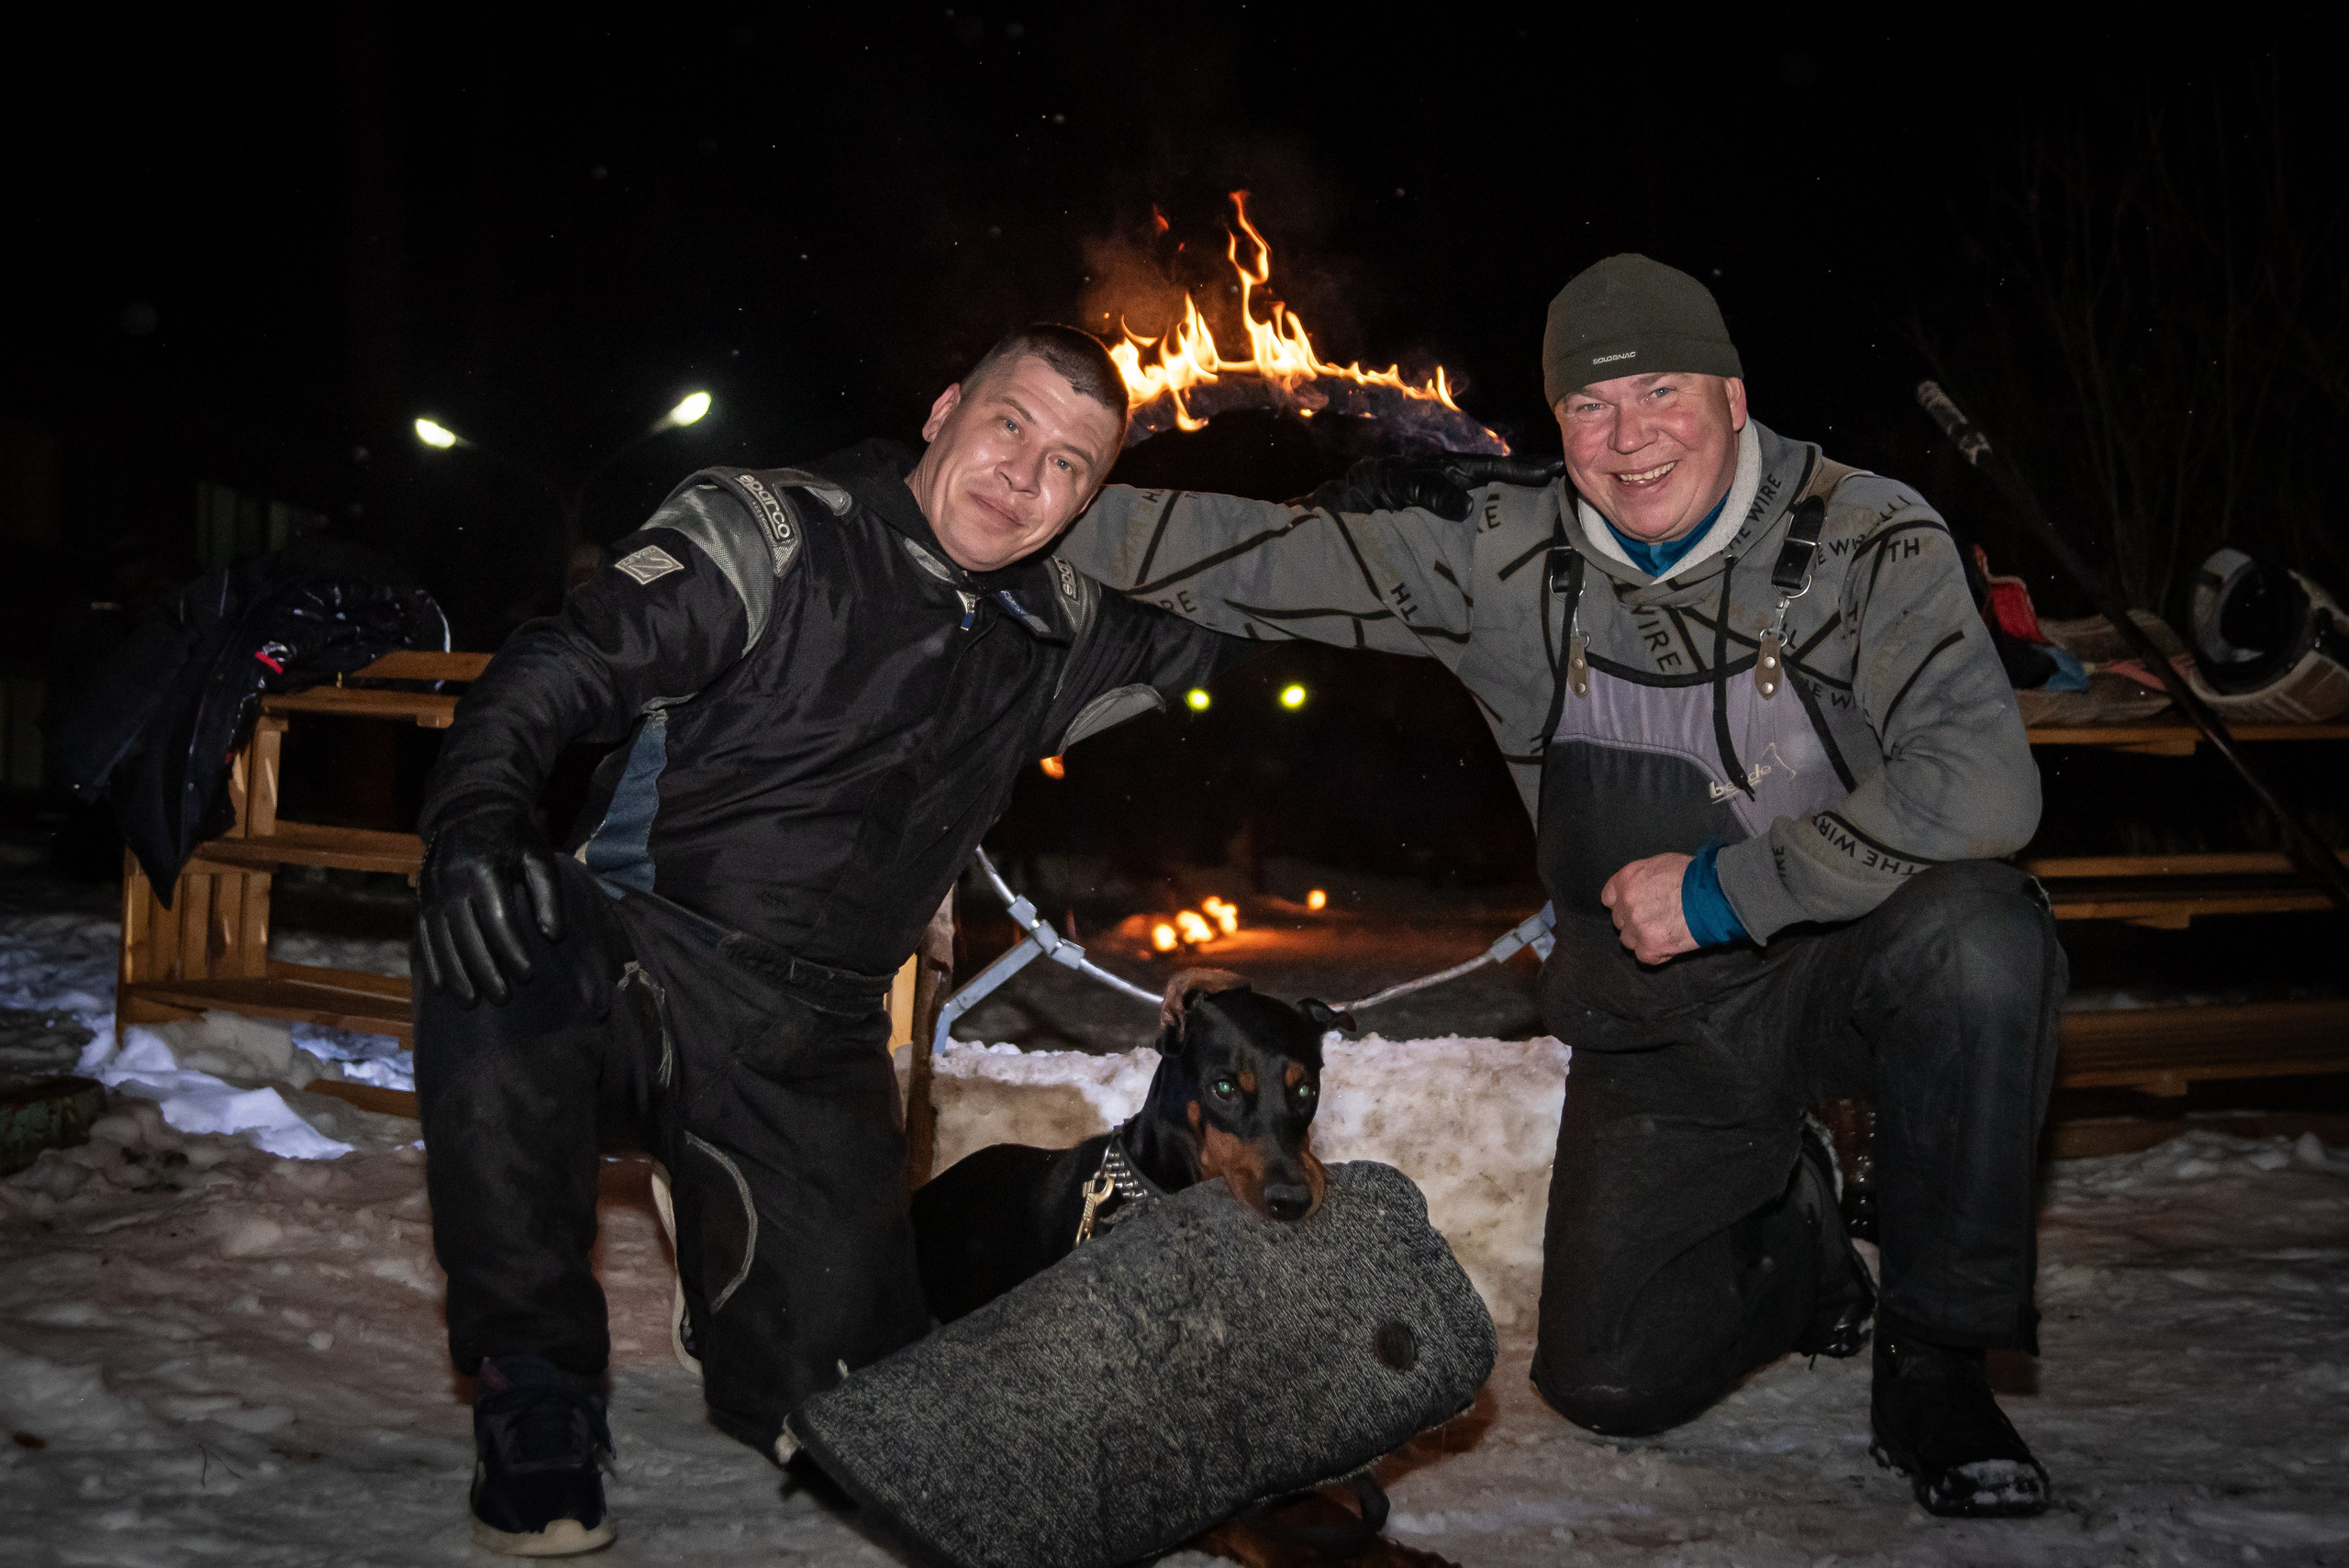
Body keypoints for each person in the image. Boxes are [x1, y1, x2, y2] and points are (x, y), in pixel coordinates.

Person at [1054, 255, 2065, 1518]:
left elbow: (1985, 785)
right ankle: (1804, 1237)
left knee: (1983, 936)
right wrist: (1018, 496)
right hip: (1658, 1014)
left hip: (1857, 967)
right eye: (1592, 405)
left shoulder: (1866, 536)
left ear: (1733, 398)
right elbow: (1250, 556)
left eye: (1661, 392)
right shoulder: (1504, 555)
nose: (1629, 437)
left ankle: (1939, 1366)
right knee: (1610, 1377)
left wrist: (1725, 890)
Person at [411, 324, 1240, 1555]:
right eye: (1009, 426)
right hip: (641, 960)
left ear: (1088, 502)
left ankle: (760, 1267)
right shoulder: (776, 532)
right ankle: (535, 1391)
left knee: (861, 1419)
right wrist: (476, 815)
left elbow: (1265, 621)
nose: (1023, 477)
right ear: (944, 410)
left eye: (1068, 465)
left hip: (814, 1040)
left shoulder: (1064, 629)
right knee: (508, 933)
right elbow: (562, 664)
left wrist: (1410, 515)